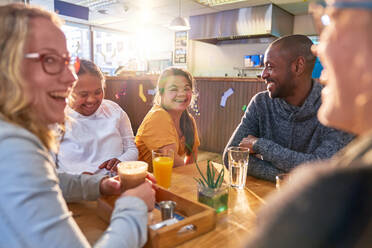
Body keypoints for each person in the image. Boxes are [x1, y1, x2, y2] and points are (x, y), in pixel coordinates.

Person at [0, 3, 155, 247]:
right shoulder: (11, 147)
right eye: (50, 59)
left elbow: (49, 180)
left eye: (66, 61)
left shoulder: (17, 133)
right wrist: (133, 206)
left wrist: (103, 184)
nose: (71, 77)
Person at [246, 0, 372, 247]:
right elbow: (233, 155)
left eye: (330, 19)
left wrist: (263, 148)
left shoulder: (326, 200)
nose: (318, 50)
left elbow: (319, 166)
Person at [223, 34, 354, 182]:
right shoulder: (261, 103)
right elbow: (231, 155)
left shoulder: (335, 109)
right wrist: (286, 177)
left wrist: (259, 145)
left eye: (270, 66)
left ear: (298, 66)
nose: (263, 74)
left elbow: (323, 170)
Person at [57, 59, 138, 175]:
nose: (91, 100)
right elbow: (45, 168)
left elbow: (131, 149)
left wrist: (122, 161)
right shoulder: (55, 119)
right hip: (76, 191)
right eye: (84, 94)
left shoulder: (114, 110)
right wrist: (76, 181)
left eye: (98, 92)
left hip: (115, 186)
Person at [135, 67, 200, 171]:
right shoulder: (158, 116)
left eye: (186, 88)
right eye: (173, 89)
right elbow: (171, 160)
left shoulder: (189, 120)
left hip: (169, 181)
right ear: (161, 93)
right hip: (144, 182)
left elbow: (192, 161)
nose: (182, 94)